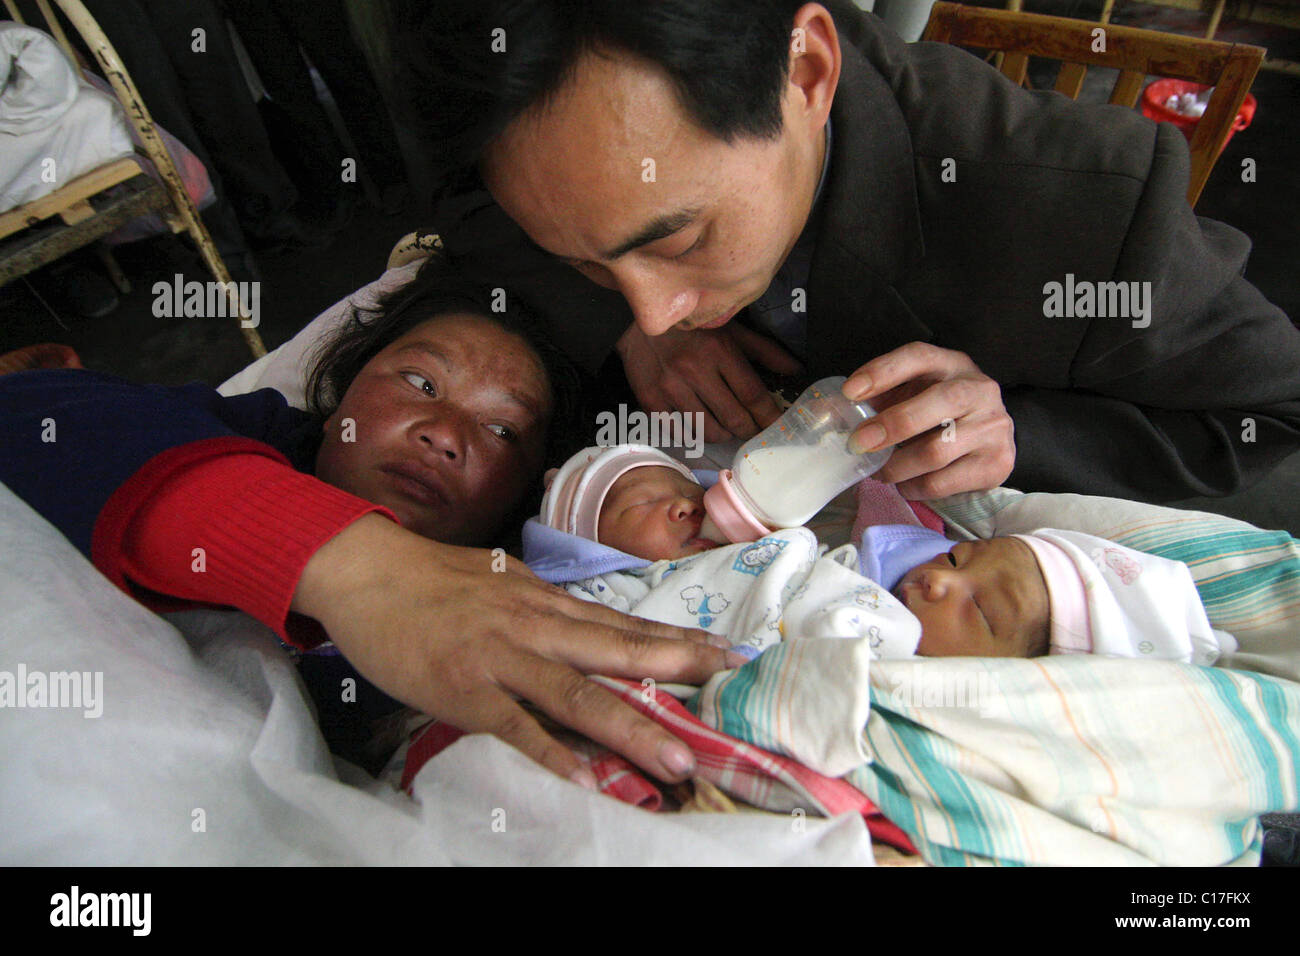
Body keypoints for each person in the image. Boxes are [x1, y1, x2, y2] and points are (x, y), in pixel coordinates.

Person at [386, 0, 1300, 507]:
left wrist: (1013, 431)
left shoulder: (1083, 218)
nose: (656, 307)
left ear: (808, 74)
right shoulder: (509, 128)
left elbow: (1274, 423)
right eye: (588, 261)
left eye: (678, 238)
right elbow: (466, 201)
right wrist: (618, 327)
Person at [0, 263, 738, 788]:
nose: (445, 434)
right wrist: (351, 564)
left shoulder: (524, 590)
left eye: (503, 432)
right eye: (420, 383)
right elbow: (29, 413)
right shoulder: (254, 438)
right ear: (341, 392)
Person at [524, 443, 1236, 665]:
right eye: (636, 507)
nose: (932, 581)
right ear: (587, 552)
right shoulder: (616, 590)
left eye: (980, 607)